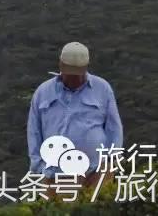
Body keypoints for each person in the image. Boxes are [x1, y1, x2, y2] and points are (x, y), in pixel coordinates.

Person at [26, 41, 123, 188]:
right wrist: (39, 168)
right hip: (55, 174)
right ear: (61, 67)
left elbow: (114, 128)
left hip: (96, 172)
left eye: (78, 74)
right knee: (60, 211)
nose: (74, 78)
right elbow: (34, 132)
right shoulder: (43, 92)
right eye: (70, 74)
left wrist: (110, 163)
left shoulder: (102, 88)